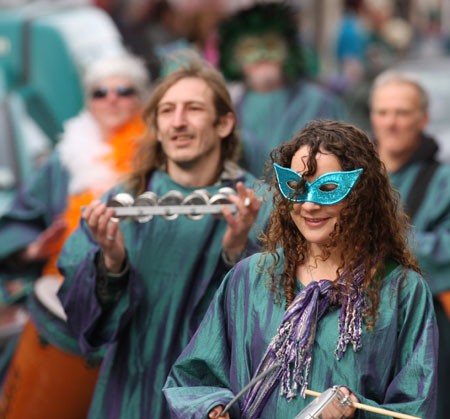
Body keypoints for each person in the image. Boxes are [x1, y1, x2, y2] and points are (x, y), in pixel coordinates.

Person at [163, 120, 438, 419]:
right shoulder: (249, 278)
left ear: (361, 195)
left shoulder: (402, 291)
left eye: (328, 189)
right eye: (296, 187)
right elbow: (193, 378)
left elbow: (416, 407)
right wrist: (213, 407)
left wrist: (356, 412)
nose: (308, 205)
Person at [57, 56, 272, 418]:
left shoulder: (258, 206)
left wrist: (239, 252)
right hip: (127, 394)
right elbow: (80, 320)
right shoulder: (120, 204)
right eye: (167, 110)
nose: (178, 122)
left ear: (224, 123)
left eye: (194, 109)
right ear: (155, 127)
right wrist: (110, 263)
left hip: (212, 400)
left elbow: (279, 321)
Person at [0, 53, 149, 284]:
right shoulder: (63, 160)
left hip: (136, 285)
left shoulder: (155, 156)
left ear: (140, 99)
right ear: (89, 103)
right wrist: (33, 249)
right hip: (67, 285)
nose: (111, 99)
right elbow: (21, 217)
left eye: (123, 91)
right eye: (100, 93)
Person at [370, 70, 450, 419]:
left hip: (425, 324)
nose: (392, 123)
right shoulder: (350, 174)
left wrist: (378, 240)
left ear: (423, 119)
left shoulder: (444, 180)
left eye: (402, 113)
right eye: (383, 113)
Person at [217, 2, 345, 179]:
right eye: (250, 49)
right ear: (234, 57)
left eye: (270, 46)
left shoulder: (319, 102)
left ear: (289, 50)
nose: (262, 57)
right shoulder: (229, 105)